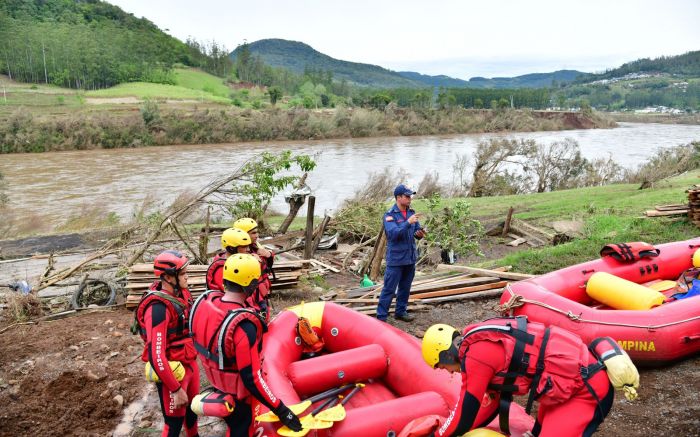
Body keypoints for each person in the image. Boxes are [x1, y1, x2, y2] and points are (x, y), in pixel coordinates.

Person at [421, 317, 639, 437]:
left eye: (442, 365)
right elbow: (490, 406)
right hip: (564, 388)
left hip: (586, 391)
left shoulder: (477, 356)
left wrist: (439, 436)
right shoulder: (478, 341)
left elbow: (465, 412)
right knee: (537, 431)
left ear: (446, 352)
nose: (448, 371)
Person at [190, 254, 302, 437]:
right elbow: (252, 379)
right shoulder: (244, 327)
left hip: (217, 385)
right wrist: (282, 410)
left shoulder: (206, 305)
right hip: (238, 397)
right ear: (250, 285)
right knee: (241, 429)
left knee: (233, 427)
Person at [133, 250, 200, 437]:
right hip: (173, 372)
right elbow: (156, 355)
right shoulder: (158, 308)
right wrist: (176, 389)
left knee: (192, 412)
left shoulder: (182, 293)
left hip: (189, 364)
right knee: (174, 423)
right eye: (183, 274)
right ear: (168, 277)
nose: (188, 277)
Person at [376, 184, 426, 322]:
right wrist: (407, 223)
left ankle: (401, 312)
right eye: (407, 196)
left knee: (405, 287)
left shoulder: (411, 213)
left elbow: (416, 233)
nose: (410, 199)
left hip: (410, 258)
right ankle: (381, 317)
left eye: (410, 196)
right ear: (398, 198)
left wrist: (420, 234)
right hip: (396, 259)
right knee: (389, 289)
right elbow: (393, 234)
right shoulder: (390, 215)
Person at [233, 217, 275, 322]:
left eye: (257, 232)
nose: (257, 235)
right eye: (253, 233)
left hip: (261, 293)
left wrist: (269, 254)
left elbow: (267, 266)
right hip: (250, 297)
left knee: (265, 318)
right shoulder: (236, 253)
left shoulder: (255, 247)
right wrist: (249, 259)